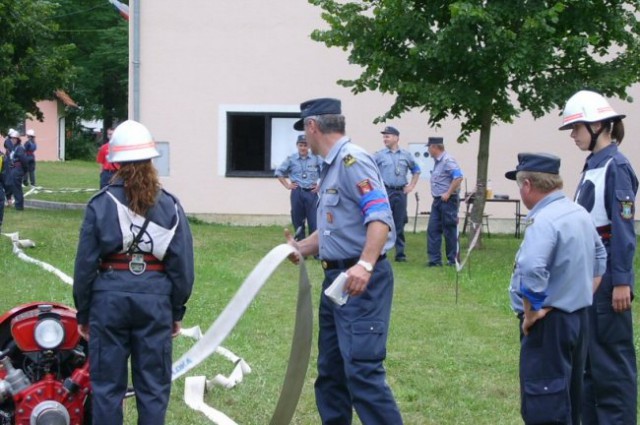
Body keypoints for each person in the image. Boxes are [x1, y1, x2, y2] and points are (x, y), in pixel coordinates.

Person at [284, 97, 403, 425]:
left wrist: (365, 265)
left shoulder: (354, 161)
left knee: (362, 373)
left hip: (359, 283)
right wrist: (300, 247)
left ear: (312, 126)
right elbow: (333, 231)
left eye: (304, 131)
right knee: (332, 374)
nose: (304, 140)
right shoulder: (332, 166)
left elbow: (379, 216)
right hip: (335, 282)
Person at [73, 120, 195, 425]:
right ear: (151, 160)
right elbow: (182, 267)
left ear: (114, 161)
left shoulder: (100, 205)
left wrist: (84, 313)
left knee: (106, 389)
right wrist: (176, 311)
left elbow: (86, 266)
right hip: (155, 303)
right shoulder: (170, 206)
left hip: (108, 301)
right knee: (153, 389)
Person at [506, 152, 606, 425]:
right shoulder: (579, 213)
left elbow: (531, 268)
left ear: (527, 185)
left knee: (545, 403)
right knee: (570, 399)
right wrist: (581, 292)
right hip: (577, 319)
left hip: (549, 324)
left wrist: (531, 313)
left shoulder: (546, 219)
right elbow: (601, 258)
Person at [559, 89, 638, 424]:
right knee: (589, 361)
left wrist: (622, 281)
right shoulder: (594, 165)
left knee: (611, 364)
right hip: (588, 271)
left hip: (606, 276)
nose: (573, 135)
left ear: (599, 126)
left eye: (577, 128)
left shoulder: (616, 166)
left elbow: (622, 229)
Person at [374, 126, 421, 262]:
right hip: (385, 192)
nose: (385, 139)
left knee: (399, 222)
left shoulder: (406, 155)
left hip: (400, 192)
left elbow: (416, 170)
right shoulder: (379, 155)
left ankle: (400, 254)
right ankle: (381, 252)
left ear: (396, 138)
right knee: (383, 222)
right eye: (384, 137)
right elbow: (369, 169)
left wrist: (411, 185)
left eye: (387, 136)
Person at [275, 134, 322, 240]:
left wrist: (320, 185)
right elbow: (279, 172)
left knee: (314, 221)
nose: (303, 148)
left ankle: (315, 250)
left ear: (309, 146)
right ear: (297, 145)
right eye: (301, 145)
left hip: (312, 192)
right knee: (298, 221)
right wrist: (287, 185)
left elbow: (326, 172)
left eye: (305, 145)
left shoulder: (316, 158)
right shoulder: (291, 159)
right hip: (297, 192)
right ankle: (301, 248)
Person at [426, 137, 463, 267]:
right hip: (437, 201)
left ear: (434, 147)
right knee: (433, 229)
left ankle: (452, 260)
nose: (428, 150)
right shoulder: (438, 162)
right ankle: (435, 260)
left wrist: (448, 193)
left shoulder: (448, 160)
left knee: (449, 230)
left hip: (448, 201)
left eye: (429, 147)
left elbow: (458, 177)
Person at [8, 130, 26, 211]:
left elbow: (23, 160)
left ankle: (19, 207)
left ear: (18, 139)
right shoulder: (14, 148)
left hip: (17, 169)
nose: (13, 140)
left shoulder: (20, 148)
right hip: (13, 169)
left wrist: (24, 171)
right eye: (12, 138)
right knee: (13, 187)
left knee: (17, 188)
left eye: (15, 139)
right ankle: (17, 205)